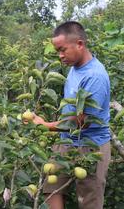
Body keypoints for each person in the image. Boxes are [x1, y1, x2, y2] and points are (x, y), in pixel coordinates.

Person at [32, 21, 111, 209]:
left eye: (62, 50)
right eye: (57, 51)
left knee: (89, 201)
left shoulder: (95, 76)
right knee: (51, 187)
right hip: (66, 141)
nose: (60, 56)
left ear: (80, 44)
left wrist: (46, 125)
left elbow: (82, 122)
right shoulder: (74, 67)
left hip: (91, 146)